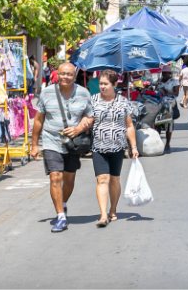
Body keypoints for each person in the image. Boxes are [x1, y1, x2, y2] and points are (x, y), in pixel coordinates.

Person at [31, 62, 93, 233]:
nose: (66, 77)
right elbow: (38, 120)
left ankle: (62, 203)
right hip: (51, 140)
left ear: (75, 76)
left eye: (69, 74)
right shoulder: (47, 93)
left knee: (69, 178)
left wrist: (78, 128)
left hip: (73, 143)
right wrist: (34, 145)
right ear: (57, 74)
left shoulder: (83, 93)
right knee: (55, 177)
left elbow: (90, 116)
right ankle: (60, 216)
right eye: (63, 74)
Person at [90, 70, 139, 227]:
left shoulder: (123, 102)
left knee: (115, 179)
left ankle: (113, 209)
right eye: (101, 84)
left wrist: (134, 147)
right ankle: (103, 214)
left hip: (117, 146)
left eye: (106, 84)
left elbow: (129, 126)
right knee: (102, 179)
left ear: (114, 84)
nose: (102, 87)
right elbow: (86, 120)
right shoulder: (93, 101)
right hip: (98, 146)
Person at [157, 65, 180, 153]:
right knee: (158, 123)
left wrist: (166, 91)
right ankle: (158, 142)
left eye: (167, 73)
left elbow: (176, 93)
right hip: (160, 104)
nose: (165, 74)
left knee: (169, 125)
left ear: (170, 74)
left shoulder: (174, 82)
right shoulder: (159, 81)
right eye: (164, 73)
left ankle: (167, 143)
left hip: (170, 104)